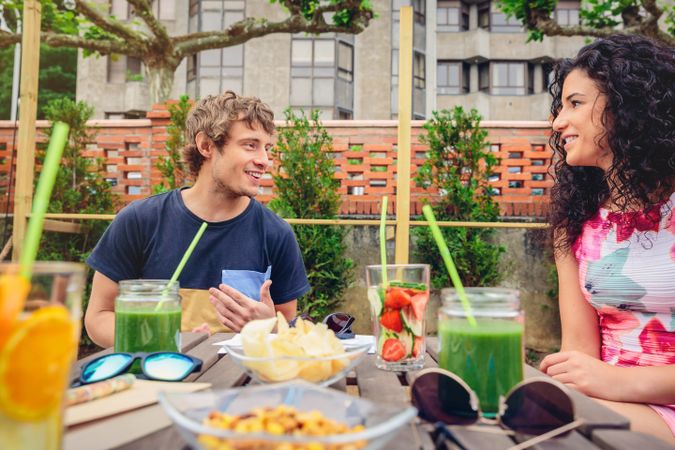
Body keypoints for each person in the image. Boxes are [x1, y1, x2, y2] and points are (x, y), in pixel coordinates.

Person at [85, 91, 310, 347]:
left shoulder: (276, 234)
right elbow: (98, 318)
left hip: (241, 385)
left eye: (267, 148)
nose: (264, 160)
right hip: (158, 381)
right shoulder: (139, 221)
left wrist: (269, 329)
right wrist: (161, 341)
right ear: (206, 146)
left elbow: (288, 332)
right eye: (250, 145)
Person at [539, 34, 675, 444]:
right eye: (560, 106)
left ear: (626, 106)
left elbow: (601, 380)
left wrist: (614, 383)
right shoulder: (576, 222)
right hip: (612, 406)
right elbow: (580, 353)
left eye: (575, 103)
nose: (558, 122)